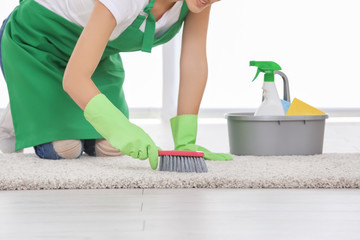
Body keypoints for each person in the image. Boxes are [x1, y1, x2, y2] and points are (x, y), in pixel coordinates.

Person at [0, 0, 232, 169]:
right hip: (35, 45)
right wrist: (121, 128)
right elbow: (75, 79)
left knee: (110, 147)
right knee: (66, 149)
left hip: (91, 60)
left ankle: (36, 105)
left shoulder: (198, 2)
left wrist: (186, 140)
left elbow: (194, 61)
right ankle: (16, 113)